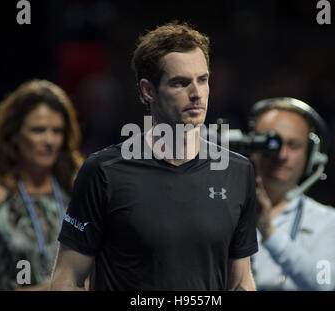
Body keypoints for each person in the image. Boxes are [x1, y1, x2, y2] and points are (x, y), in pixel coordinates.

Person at [50, 21, 258, 291]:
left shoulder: (238, 171)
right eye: (180, 83)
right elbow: (67, 280)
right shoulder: (103, 172)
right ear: (148, 90)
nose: (196, 94)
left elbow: (241, 281)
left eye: (203, 80)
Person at [0, 79, 84, 290]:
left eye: (57, 131)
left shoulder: (78, 193)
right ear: (14, 135)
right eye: (38, 130)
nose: (49, 140)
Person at [248, 97, 335, 290]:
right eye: (272, 144)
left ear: (310, 154)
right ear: (252, 147)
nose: (282, 155)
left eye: (293, 145)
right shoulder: (225, 209)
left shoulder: (327, 220)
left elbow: (324, 283)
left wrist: (269, 232)